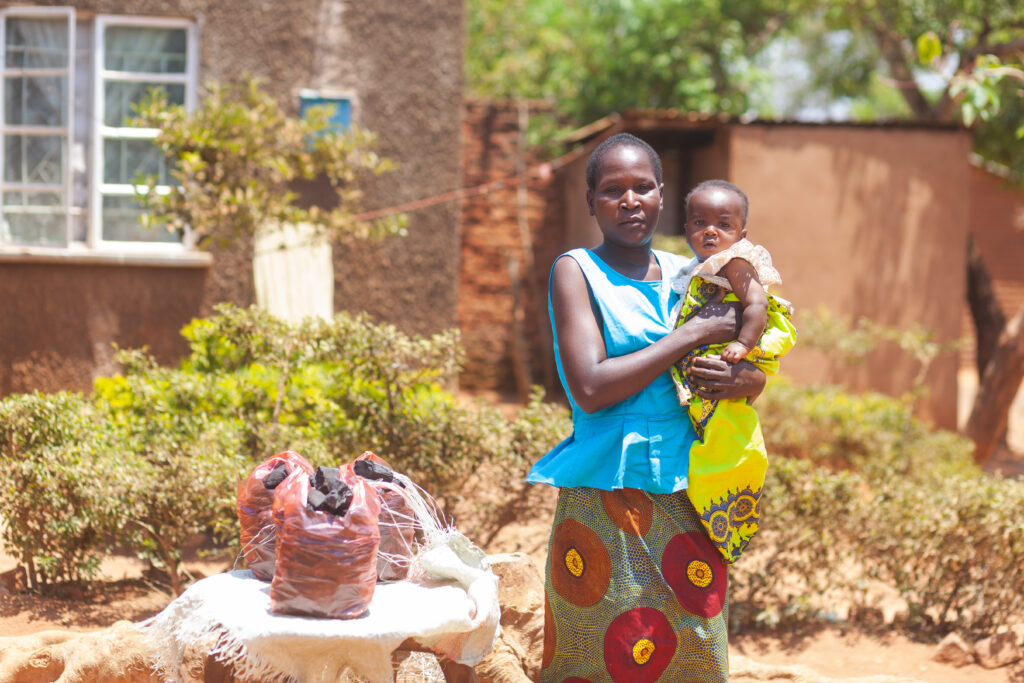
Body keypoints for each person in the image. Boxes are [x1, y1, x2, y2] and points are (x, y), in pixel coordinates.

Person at [527, 133, 767, 682]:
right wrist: (691, 336)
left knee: (696, 650)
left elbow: (752, 365)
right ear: (591, 202)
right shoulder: (576, 271)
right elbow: (589, 386)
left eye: (642, 187)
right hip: (604, 494)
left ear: (663, 195)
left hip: (691, 492)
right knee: (594, 654)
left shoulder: (700, 271)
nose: (629, 200)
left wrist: (741, 377)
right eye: (612, 190)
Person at [669, 180, 797, 565]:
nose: (710, 230)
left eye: (723, 224)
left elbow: (756, 304)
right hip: (709, 371)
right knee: (711, 439)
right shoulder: (696, 269)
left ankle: (725, 508)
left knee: (729, 441)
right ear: (687, 227)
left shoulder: (736, 262)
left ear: (742, 234)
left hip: (733, 357)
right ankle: (715, 509)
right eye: (699, 222)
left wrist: (743, 345)